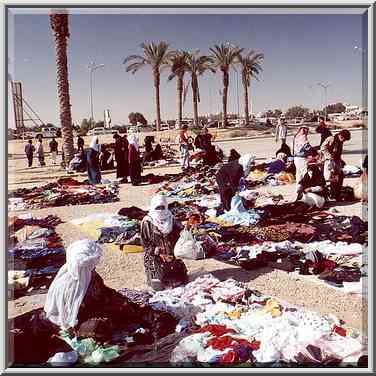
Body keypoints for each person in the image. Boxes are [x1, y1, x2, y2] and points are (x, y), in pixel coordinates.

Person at [140, 195, 188, 291]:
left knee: (182, 282)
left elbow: (181, 235)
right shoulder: (147, 222)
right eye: (158, 208)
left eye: (163, 207)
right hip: (155, 256)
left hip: (172, 255)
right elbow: (145, 243)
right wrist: (159, 253)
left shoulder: (172, 219)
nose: (160, 210)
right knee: (158, 287)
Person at [320, 129, 351, 200]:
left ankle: (336, 194)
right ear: (340, 135)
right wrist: (329, 157)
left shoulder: (340, 142)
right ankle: (330, 195)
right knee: (330, 178)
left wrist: (341, 161)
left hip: (336, 161)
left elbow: (338, 152)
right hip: (329, 161)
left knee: (340, 176)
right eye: (343, 139)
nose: (343, 141)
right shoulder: (331, 139)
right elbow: (322, 147)